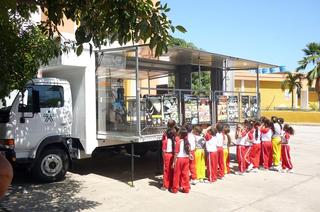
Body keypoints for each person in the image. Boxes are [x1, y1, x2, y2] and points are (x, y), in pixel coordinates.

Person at [171, 127, 191, 193]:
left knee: (176, 175)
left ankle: (175, 189)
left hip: (179, 159)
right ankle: (186, 188)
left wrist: (173, 162)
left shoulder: (178, 142)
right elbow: (189, 151)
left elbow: (176, 153)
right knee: (185, 174)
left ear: (180, 134)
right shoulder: (187, 142)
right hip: (186, 159)